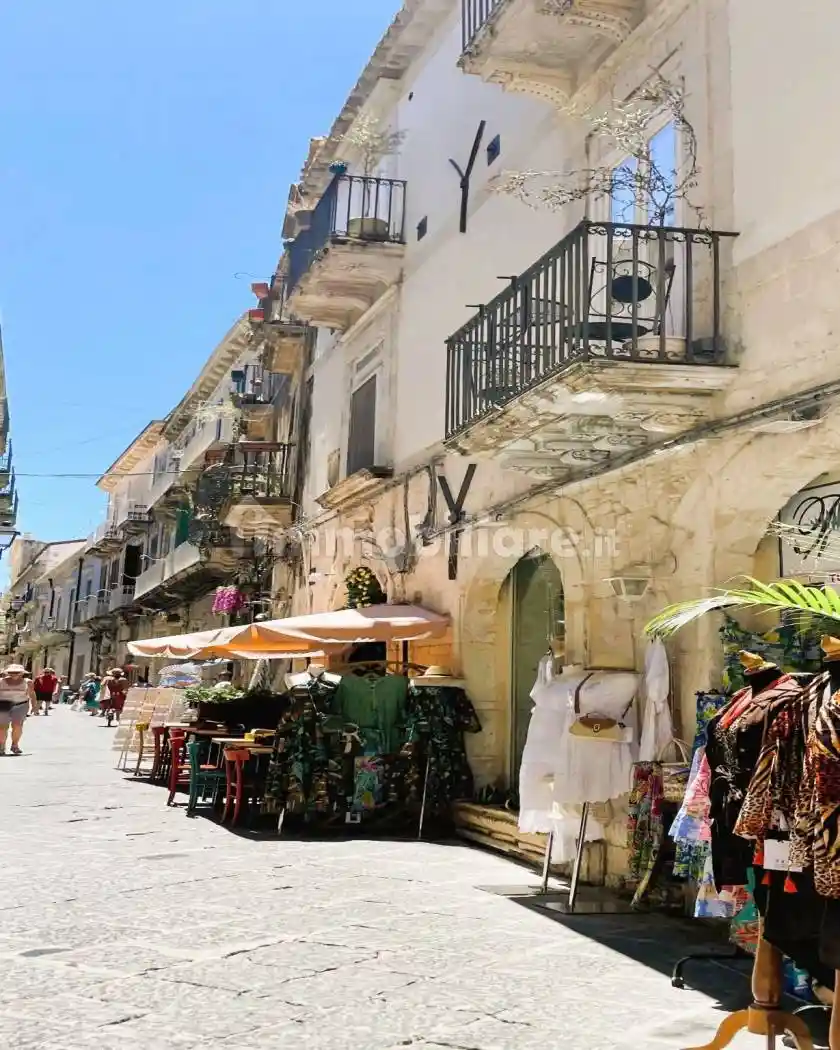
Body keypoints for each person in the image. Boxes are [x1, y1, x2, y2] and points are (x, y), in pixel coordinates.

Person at [0, 664, 35, 755]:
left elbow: (32, 694)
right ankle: (1, 746)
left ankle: (15, 745)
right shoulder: (1, 681)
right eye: (12, 672)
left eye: (17, 672)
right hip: (4, 704)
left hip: (21, 705)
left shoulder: (28, 682)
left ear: (21, 673)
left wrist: (34, 706)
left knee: (17, 726)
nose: (14, 674)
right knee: (2, 727)